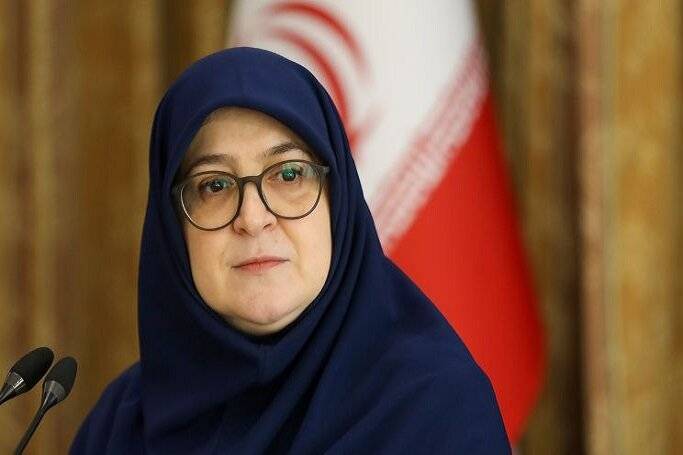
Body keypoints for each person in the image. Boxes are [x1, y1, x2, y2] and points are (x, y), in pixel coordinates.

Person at [70, 47, 510, 454]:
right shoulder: (119, 425)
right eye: (215, 185)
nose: (253, 218)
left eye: (288, 175)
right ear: (172, 226)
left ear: (338, 201)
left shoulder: (434, 409)